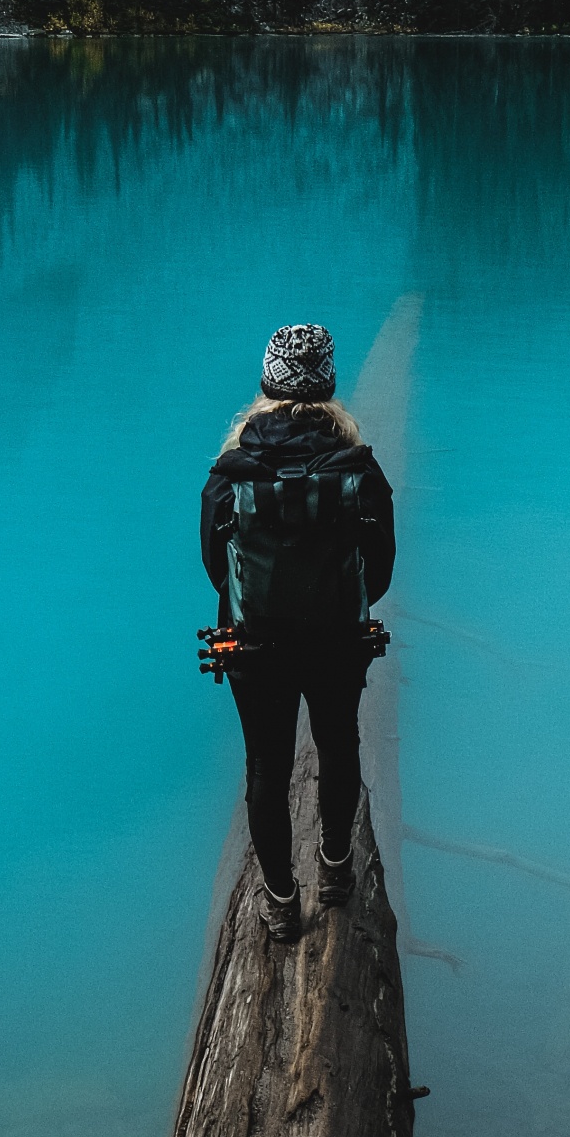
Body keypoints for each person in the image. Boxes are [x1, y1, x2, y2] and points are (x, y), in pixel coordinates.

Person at [201, 321, 395, 942]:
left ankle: (282, 903)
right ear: (329, 386)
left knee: (266, 765)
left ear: (267, 385)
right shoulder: (360, 471)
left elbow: (215, 569)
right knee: (338, 745)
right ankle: (336, 870)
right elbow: (382, 572)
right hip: (339, 643)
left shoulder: (230, 475)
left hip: (254, 647)